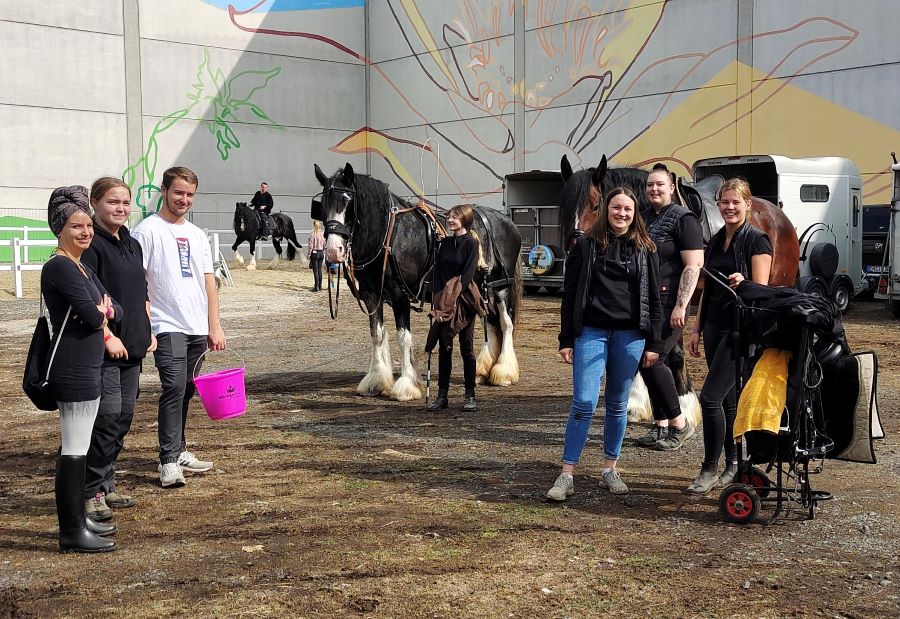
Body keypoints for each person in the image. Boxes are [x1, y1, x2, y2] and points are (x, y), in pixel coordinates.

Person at [547, 187, 662, 500]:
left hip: (630, 336)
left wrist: (654, 341)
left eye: (627, 209)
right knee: (583, 403)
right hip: (591, 333)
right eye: (616, 208)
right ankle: (567, 474)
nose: (622, 214)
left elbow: (653, 298)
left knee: (617, 404)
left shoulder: (646, 248)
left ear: (634, 213)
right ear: (605, 210)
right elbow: (570, 295)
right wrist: (566, 338)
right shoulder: (585, 245)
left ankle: (610, 469)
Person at [132, 166, 226, 488]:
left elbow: (209, 281)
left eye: (189, 195)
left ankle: (181, 448)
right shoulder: (146, 231)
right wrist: (146, 326)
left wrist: (214, 325)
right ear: (164, 191)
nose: (183, 199)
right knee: (173, 387)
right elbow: (136, 283)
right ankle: (168, 461)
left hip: (196, 325)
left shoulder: (198, 235)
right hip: (165, 322)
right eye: (178, 193)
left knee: (187, 389)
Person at [42, 185, 119, 553]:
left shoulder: (82, 266)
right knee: (73, 447)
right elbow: (93, 315)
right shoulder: (59, 266)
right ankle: (71, 530)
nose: (86, 232)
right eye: (76, 226)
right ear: (60, 228)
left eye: (88, 224)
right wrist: (101, 309)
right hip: (72, 370)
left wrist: (104, 309)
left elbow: (113, 307)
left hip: (89, 366)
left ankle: (78, 519)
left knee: (80, 446)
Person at [686, 178, 772, 494]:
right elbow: (706, 289)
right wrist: (696, 328)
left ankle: (709, 469)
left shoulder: (757, 241)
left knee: (709, 398)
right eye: (724, 202)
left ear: (748, 204)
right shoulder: (716, 240)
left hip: (740, 331)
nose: (730, 207)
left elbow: (761, 295)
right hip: (713, 327)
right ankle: (734, 464)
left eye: (736, 202)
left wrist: (744, 280)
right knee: (728, 400)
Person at [81, 178, 156, 521]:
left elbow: (139, 291)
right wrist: (107, 335)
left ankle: (106, 484)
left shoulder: (131, 242)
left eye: (126, 203)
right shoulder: (91, 244)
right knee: (107, 418)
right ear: (95, 203)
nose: (121, 208)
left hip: (134, 347)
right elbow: (91, 298)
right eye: (113, 202)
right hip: (106, 349)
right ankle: (91, 491)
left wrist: (147, 329)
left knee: (123, 418)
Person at [635, 163, 704, 451]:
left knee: (656, 360)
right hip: (645, 303)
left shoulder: (684, 219)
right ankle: (660, 423)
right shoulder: (646, 218)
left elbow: (693, 265)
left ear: (672, 187)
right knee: (644, 361)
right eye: (650, 185)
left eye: (660, 185)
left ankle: (679, 423)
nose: (654, 189)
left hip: (669, 303)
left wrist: (681, 305)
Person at [425, 205, 483, 412]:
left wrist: (454, 296)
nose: (450, 220)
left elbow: (468, 275)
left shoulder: (471, 244)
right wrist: (439, 299)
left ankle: (470, 395)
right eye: (449, 217)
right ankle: (442, 396)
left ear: (465, 220)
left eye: (455, 217)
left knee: (466, 349)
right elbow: (438, 272)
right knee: (444, 348)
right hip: (444, 301)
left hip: (465, 301)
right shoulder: (445, 244)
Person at [307, 220, 326, 292]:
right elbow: (325, 244)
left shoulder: (312, 234)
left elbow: (310, 245)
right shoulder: (323, 233)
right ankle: (320, 286)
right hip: (321, 253)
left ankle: (316, 287)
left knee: (315, 271)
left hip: (315, 253)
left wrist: (309, 254)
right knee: (320, 270)